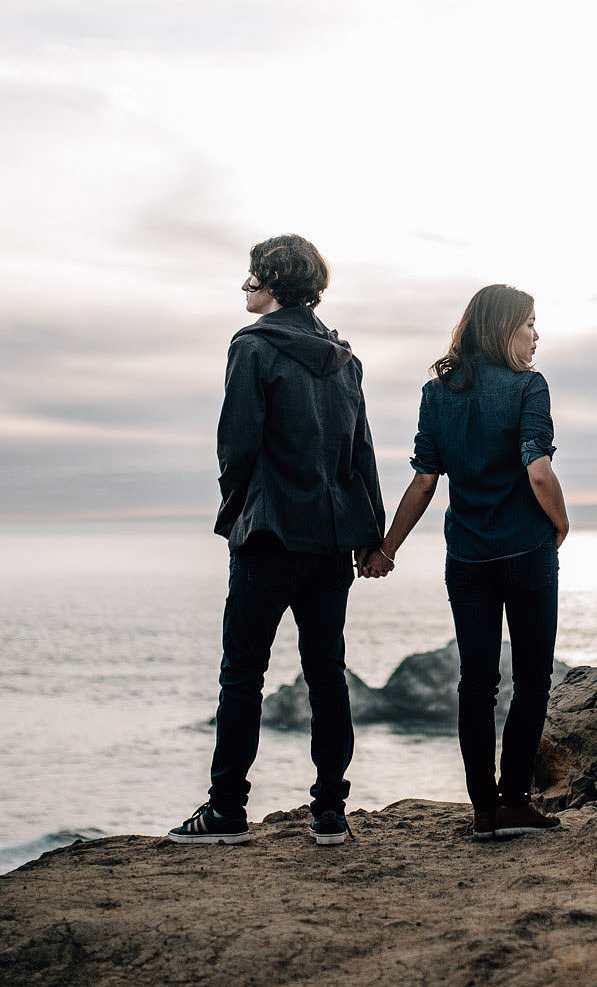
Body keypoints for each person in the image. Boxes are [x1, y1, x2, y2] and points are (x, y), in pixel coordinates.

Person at [168, 235, 386, 847]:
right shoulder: (346, 359)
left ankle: (226, 812)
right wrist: (370, 537)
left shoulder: (252, 348)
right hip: (331, 545)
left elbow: (236, 446)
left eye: (252, 278)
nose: (245, 288)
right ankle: (330, 813)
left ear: (272, 283)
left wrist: (234, 512)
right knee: (327, 674)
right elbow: (360, 455)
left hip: (267, 538)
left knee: (243, 676)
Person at [371, 284, 571, 840]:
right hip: (528, 554)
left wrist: (388, 548)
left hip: (467, 559)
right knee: (532, 681)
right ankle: (514, 802)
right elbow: (538, 471)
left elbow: (425, 479)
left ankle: (483, 811)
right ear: (506, 328)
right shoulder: (531, 387)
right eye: (530, 323)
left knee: (475, 684)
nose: (537, 335)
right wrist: (561, 522)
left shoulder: (438, 394)